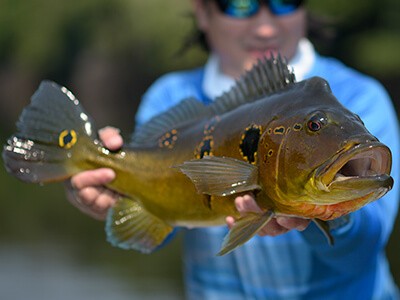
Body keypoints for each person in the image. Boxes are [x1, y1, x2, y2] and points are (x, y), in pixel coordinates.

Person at [66, 0, 400, 298]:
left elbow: (366, 245)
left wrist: (334, 216)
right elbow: (161, 228)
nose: (266, 25)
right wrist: (111, 191)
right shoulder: (169, 96)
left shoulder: (360, 97)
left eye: (285, 2)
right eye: (240, 5)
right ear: (202, 12)